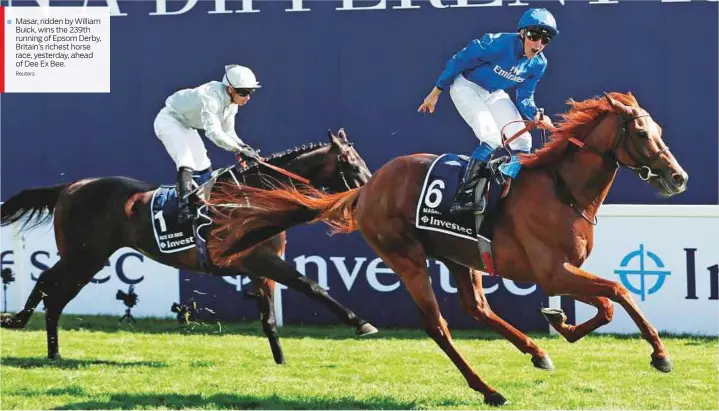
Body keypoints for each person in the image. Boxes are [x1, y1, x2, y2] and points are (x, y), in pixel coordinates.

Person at [417, 8, 558, 213]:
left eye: (544, 41)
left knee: (523, 141)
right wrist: (437, 90)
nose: (538, 45)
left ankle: (511, 189)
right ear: (522, 33)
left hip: (493, 92)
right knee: (492, 138)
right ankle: (464, 195)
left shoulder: (539, 64)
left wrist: (536, 114)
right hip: (466, 87)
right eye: (534, 36)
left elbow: (525, 96)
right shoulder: (497, 43)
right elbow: (460, 59)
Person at [153, 64, 263, 223]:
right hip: (169, 120)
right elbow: (214, 133)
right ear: (230, 89)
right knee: (186, 161)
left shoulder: (232, 104)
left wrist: (244, 147)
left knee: (204, 165)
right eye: (244, 92)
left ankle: (203, 205)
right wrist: (239, 149)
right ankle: (183, 210)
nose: (248, 97)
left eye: (250, 92)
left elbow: (229, 132)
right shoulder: (210, 97)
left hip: (187, 125)